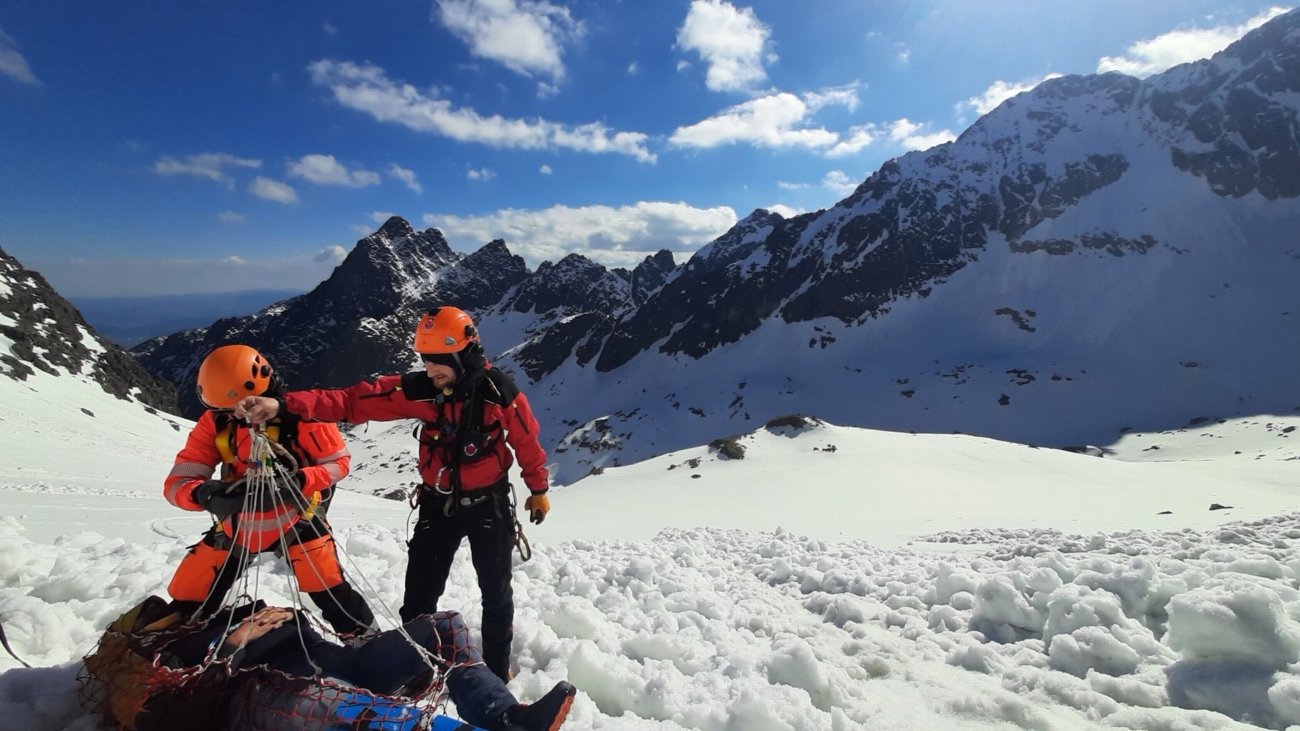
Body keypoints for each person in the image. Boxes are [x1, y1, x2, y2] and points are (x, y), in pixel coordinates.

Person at [234, 306, 549, 681]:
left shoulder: (499, 394)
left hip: (489, 505)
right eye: (426, 361)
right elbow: (351, 402)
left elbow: (526, 440)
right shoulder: (419, 390)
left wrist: (538, 487)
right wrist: (282, 406)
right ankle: (413, 670)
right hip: (437, 505)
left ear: (465, 355)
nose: (431, 370)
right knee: (418, 598)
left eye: (439, 361)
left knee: (496, 595)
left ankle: (496, 672)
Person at [81, 596, 577, 731]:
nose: (179, 614)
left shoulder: (227, 609)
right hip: (273, 690)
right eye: (161, 615)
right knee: (334, 703)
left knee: (443, 627)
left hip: (340, 662)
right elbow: (164, 716)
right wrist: (232, 644)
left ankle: (504, 716)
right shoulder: (156, 660)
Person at [163, 344, 375, 637]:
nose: (237, 415)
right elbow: (178, 481)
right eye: (228, 409)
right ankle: (176, 640)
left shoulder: (304, 415)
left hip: (297, 518)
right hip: (238, 523)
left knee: (330, 590)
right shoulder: (216, 421)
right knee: (191, 593)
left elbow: (338, 464)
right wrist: (204, 495)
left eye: (241, 406)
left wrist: (298, 482)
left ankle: (368, 642)